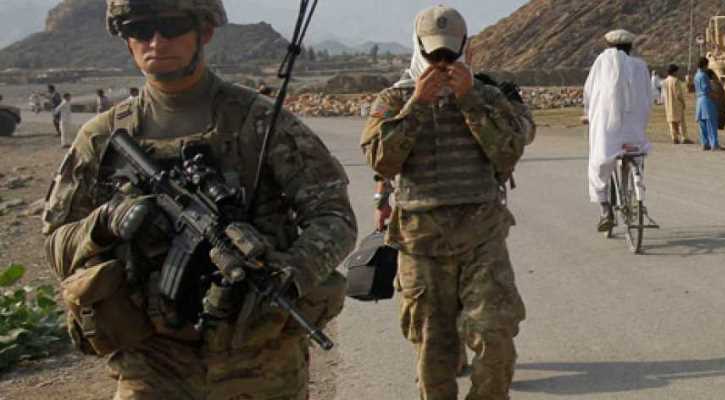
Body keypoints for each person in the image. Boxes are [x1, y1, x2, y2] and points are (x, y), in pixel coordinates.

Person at [41, 1, 358, 398]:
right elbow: (56, 243)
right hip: (151, 360)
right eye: (140, 29)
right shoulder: (102, 137)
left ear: (204, 32)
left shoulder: (260, 121)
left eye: (172, 26)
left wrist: (290, 272)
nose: (157, 41)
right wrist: (104, 222)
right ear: (126, 40)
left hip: (259, 356)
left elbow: (334, 216)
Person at [361, 5, 532, 399]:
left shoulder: (487, 96)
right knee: (434, 351)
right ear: (419, 48)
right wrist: (417, 105)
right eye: (434, 54)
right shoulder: (394, 100)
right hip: (422, 245)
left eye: (449, 54)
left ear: (464, 49)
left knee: (495, 335)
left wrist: (470, 100)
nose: (441, 63)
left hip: (481, 237)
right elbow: (381, 161)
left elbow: (509, 151)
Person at [583, 29, 654, 231]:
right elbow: (648, 96)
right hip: (634, 129)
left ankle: (606, 210)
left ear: (609, 46)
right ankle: (636, 195)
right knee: (636, 156)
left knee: (598, 165)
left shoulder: (602, 62)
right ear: (630, 47)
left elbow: (589, 91)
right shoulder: (640, 65)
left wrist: (588, 113)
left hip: (607, 129)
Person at [695, 58, 725, 151]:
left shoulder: (696, 75)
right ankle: (714, 144)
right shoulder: (704, 75)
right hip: (706, 100)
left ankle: (705, 143)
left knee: (702, 123)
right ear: (705, 65)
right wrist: (715, 96)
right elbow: (707, 90)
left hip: (699, 100)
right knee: (711, 123)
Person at [663, 64, 693, 144]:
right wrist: (683, 103)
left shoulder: (665, 81)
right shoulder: (675, 81)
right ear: (674, 72)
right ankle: (684, 137)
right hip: (677, 104)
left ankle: (674, 137)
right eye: (677, 71)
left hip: (668, 104)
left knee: (671, 122)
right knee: (681, 122)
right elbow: (678, 94)